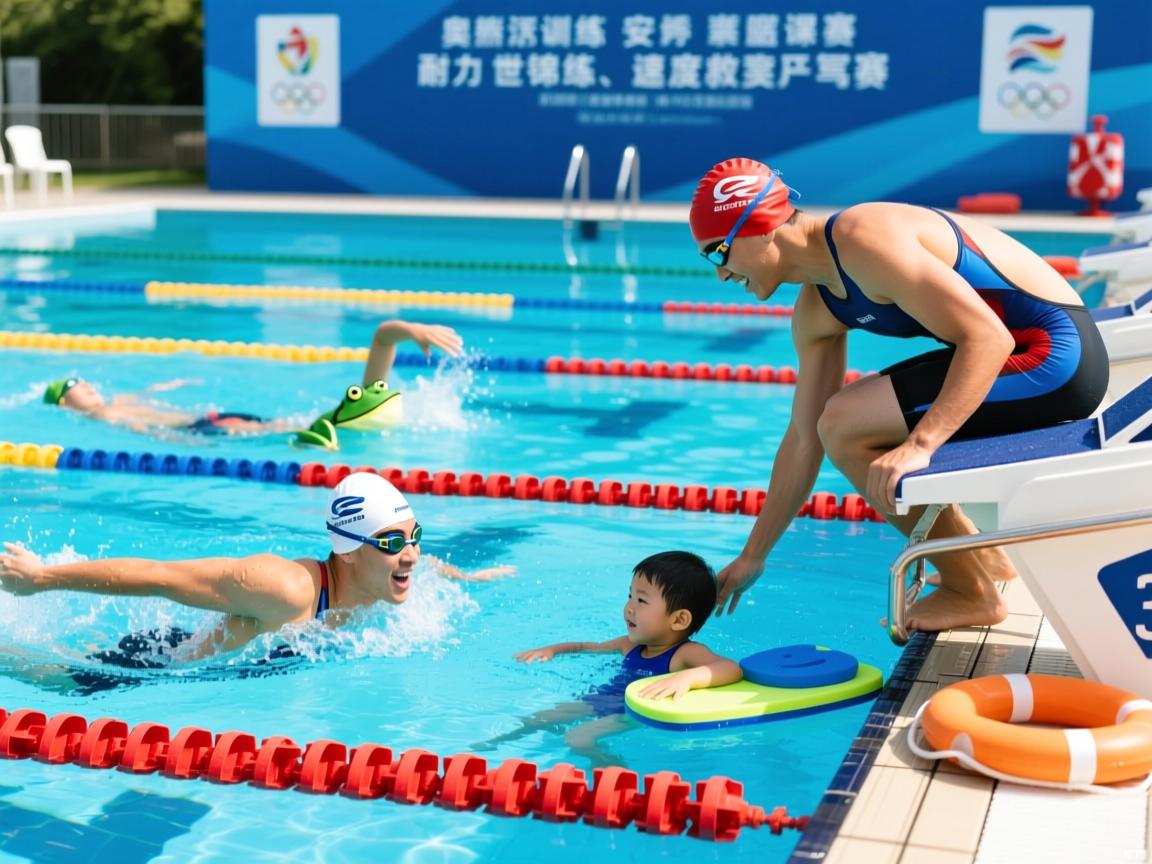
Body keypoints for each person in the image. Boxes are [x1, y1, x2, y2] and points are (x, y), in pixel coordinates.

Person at [690, 158, 1109, 634]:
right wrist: (753, 554)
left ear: (760, 227)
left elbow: (988, 338)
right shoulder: (817, 308)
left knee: (846, 423)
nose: (720, 275)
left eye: (718, 253)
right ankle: (984, 561)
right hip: (1021, 357)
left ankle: (972, 590)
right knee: (838, 422)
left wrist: (921, 444)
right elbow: (804, 439)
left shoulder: (861, 238)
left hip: (1055, 356)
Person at [0, 472, 514, 665]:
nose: (413, 555)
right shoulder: (286, 589)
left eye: (416, 536)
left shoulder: (385, 575)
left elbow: (425, 564)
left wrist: (469, 579)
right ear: (349, 550)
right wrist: (40, 579)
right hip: (144, 671)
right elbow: (161, 575)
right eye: (394, 542)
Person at [479, 551, 742, 766]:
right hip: (606, 698)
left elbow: (729, 668)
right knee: (540, 718)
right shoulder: (630, 644)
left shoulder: (684, 654)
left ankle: (612, 769)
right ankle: (492, 747)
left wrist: (687, 678)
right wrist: (552, 650)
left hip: (632, 712)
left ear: (679, 619)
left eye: (641, 601)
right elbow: (586, 647)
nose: (629, 607)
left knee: (578, 739)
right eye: (630, 596)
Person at [42, 318, 463, 445]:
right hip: (203, 429)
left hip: (210, 418)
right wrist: (183, 443)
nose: (86, 385)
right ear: (64, 404)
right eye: (74, 386)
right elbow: (144, 429)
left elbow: (382, 338)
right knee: (282, 429)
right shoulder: (103, 416)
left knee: (285, 426)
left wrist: (165, 386)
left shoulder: (114, 400)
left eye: (84, 380)